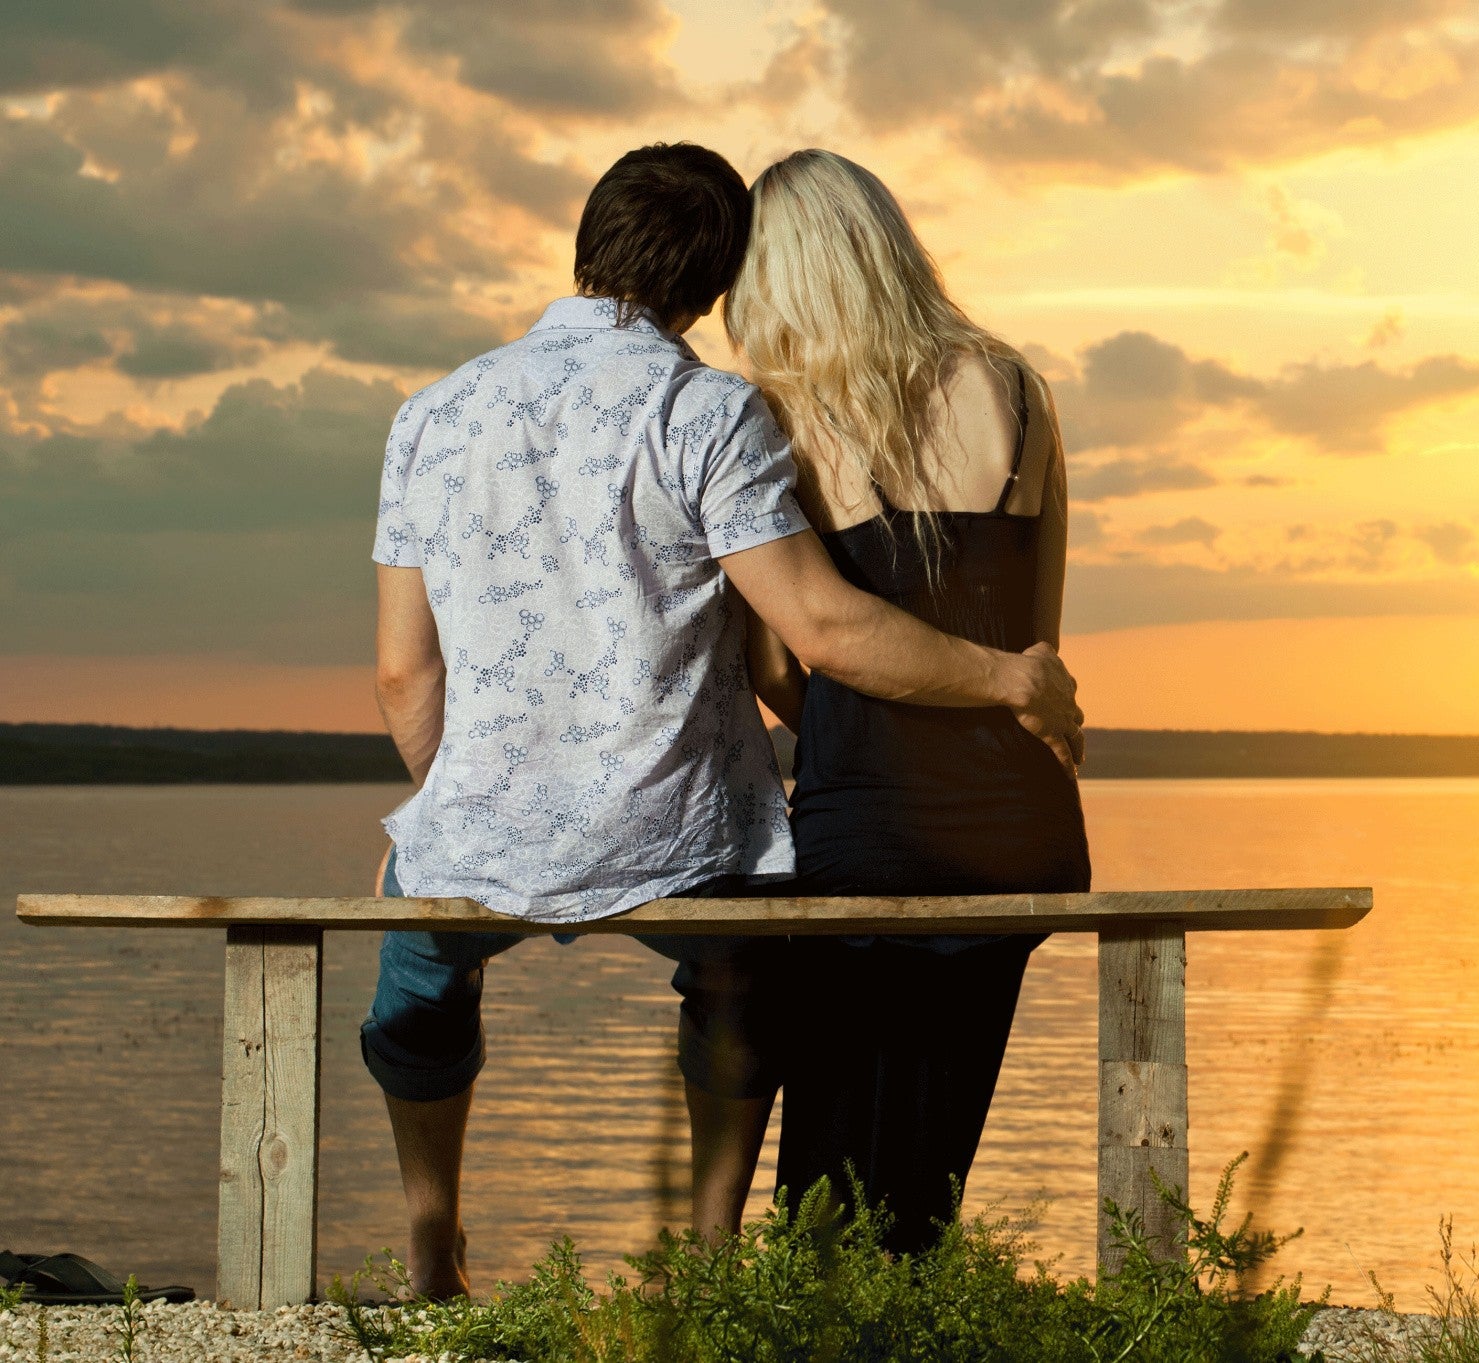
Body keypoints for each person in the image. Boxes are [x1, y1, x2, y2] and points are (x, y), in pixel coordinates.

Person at [363, 142, 1083, 1298]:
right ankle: (702, 1255)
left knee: (415, 982)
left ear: (584, 243)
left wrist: (475, 804)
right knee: (739, 984)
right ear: (709, 287)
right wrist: (1001, 686)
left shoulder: (429, 416)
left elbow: (406, 674)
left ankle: (431, 1247)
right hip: (708, 835)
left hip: (500, 831)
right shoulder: (714, 413)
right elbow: (840, 627)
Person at [725, 149, 1092, 1255]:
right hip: (1017, 824)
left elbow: (788, 662)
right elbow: (1040, 640)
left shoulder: (781, 421)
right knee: (929, 1154)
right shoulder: (1016, 387)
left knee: (828, 1176)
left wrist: (874, 696)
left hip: (868, 820)